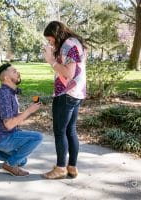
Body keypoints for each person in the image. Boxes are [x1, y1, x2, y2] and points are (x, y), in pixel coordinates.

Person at [0, 63, 43, 177]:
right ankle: (9, 165)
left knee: (22, 161)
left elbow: (12, 118)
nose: (18, 73)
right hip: (2, 137)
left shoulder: (10, 93)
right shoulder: (5, 95)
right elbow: (8, 124)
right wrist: (28, 111)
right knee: (37, 137)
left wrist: (30, 110)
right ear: (6, 78)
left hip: (1, 136)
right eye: (14, 71)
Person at [42, 21, 87, 179]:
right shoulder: (73, 43)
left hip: (66, 94)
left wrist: (51, 60)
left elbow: (68, 73)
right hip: (76, 93)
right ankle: (72, 167)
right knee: (70, 130)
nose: (50, 42)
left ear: (56, 34)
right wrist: (54, 53)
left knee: (60, 132)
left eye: (50, 39)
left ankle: (61, 168)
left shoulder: (68, 45)